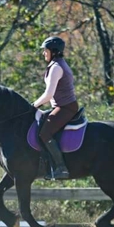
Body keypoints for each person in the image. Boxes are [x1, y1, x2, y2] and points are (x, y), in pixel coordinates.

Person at [33, 36, 79, 179]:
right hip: (60, 106)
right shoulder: (56, 64)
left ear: (53, 51)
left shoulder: (56, 68)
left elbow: (48, 94)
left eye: (45, 50)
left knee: (44, 133)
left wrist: (33, 105)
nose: (43, 53)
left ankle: (61, 168)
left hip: (66, 107)